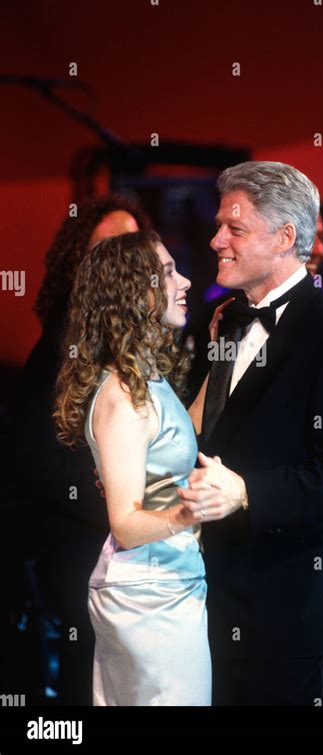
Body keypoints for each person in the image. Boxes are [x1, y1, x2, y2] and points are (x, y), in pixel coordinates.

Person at [179, 160, 323, 706]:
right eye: (220, 224)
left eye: (235, 228)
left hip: (292, 612)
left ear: (286, 238)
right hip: (216, 595)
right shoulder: (221, 321)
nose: (216, 239)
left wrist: (248, 493)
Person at [54, 229, 212, 706]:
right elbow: (125, 520)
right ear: (132, 292)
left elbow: (181, 434)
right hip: (149, 597)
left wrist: (230, 357)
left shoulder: (145, 376)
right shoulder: (121, 395)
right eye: (166, 273)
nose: (184, 281)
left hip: (166, 581)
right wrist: (192, 510)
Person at [8, 195, 151, 704]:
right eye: (105, 250)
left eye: (130, 250)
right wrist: (124, 503)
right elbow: (35, 470)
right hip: (82, 562)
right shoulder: (57, 352)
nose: (119, 263)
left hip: (136, 561)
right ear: (78, 263)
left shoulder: (146, 347)